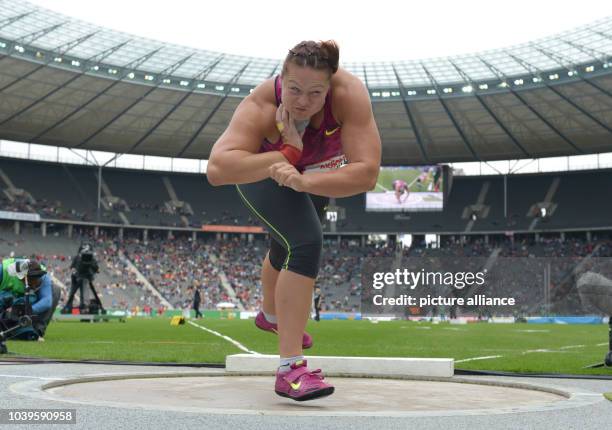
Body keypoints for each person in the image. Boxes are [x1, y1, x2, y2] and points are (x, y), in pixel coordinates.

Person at [208, 40, 381, 401]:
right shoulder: (261, 105)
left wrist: (305, 180)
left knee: (283, 243)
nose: (303, 101)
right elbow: (218, 169)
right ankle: (291, 370)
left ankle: (271, 315)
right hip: (266, 168)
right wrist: (287, 152)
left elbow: (366, 173)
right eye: (295, 90)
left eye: (316, 93)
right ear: (281, 80)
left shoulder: (349, 96)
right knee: (305, 242)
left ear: (330, 86)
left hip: (314, 172)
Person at [0, 258, 60, 340]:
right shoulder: (2, 271)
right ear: (22, 277)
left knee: (55, 289)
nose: (35, 284)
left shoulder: (43, 276)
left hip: (24, 303)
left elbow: (47, 301)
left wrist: (25, 310)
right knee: (7, 298)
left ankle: (37, 330)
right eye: (33, 280)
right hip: (5, 300)